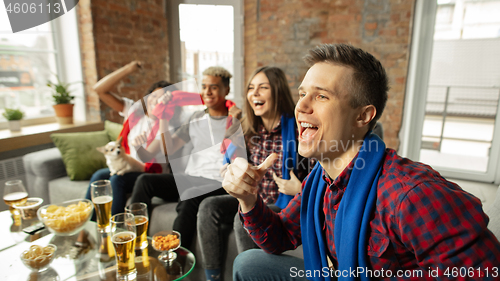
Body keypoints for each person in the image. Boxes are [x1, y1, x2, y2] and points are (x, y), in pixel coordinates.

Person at [223, 44, 500, 281]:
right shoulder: (319, 180)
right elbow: (280, 237)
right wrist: (248, 198)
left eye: (321, 96)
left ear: (362, 116)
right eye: (302, 93)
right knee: (248, 263)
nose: (301, 106)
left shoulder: (412, 195)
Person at [197, 66, 315, 281]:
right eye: (251, 88)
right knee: (208, 206)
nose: (255, 93)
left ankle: (249, 275)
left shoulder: (299, 128)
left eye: (263, 88)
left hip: (280, 203)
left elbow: (319, 176)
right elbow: (227, 161)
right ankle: (212, 277)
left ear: (277, 92)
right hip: (250, 196)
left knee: (240, 220)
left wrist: (299, 188)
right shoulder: (246, 128)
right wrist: (230, 170)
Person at [129, 66, 242, 250]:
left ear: (226, 90)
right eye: (204, 86)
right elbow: (169, 147)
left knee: (190, 196)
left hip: (217, 182)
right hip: (191, 177)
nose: (207, 91)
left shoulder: (236, 117)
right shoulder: (196, 117)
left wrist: (236, 122)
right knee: (144, 181)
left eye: (213, 87)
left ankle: (176, 258)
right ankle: (133, 240)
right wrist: (164, 116)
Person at [84, 61, 170, 216]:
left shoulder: (166, 124)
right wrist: (127, 69)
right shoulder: (134, 111)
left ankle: (117, 230)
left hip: (147, 174)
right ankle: (86, 226)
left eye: (163, 99)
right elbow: (99, 90)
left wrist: (129, 158)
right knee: (98, 177)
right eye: (154, 96)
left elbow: (147, 157)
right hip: (125, 166)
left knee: (118, 180)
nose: (156, 101)